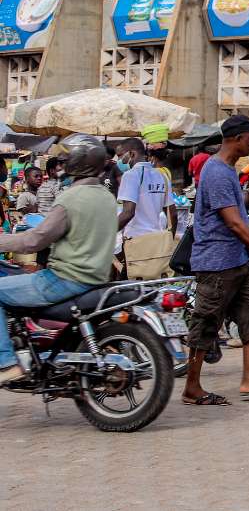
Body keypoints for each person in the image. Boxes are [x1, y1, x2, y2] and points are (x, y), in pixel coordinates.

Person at [184, 114, 249, 407]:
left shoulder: (230, 170)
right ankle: (192, 387)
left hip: (236, 261)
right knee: (206, 324)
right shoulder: (217, 171)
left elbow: (238, 219)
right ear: (236, 138)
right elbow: (232, 223)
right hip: (217, 262)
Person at [0, 135, 121, 383]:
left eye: (66, 159)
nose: (61, 164)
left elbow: (34, 241)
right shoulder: (106, 197)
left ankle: (6, 363)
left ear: (78, 162)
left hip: (64, 279)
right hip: (96, 277)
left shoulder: (70, 198)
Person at [116, 137, 177, 279]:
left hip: (136, 243)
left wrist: (105, 235)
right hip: (158, 243)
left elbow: (128, 212)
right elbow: (173, 215)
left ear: (131, 154)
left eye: (120, 155)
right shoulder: (162, 176)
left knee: (129, 289)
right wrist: (168, 239)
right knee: (156, 287)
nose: (118, 160)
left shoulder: (130, 176)